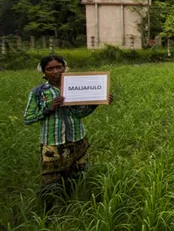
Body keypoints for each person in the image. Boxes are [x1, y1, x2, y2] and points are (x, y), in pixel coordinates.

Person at [24, 55, 113, 209]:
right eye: (50, 69)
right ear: (43, 72)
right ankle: (48, 214)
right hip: (52, 144)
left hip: (77, 140)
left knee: (76, 177)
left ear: (65, 68)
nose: (55, 71)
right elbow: (28, 118)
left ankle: (71, 205)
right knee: (50, 183)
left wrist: (97, 102)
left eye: (59, 67)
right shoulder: (39, 92)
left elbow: (79, 114)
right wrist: (49, 109)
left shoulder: (74, 86)